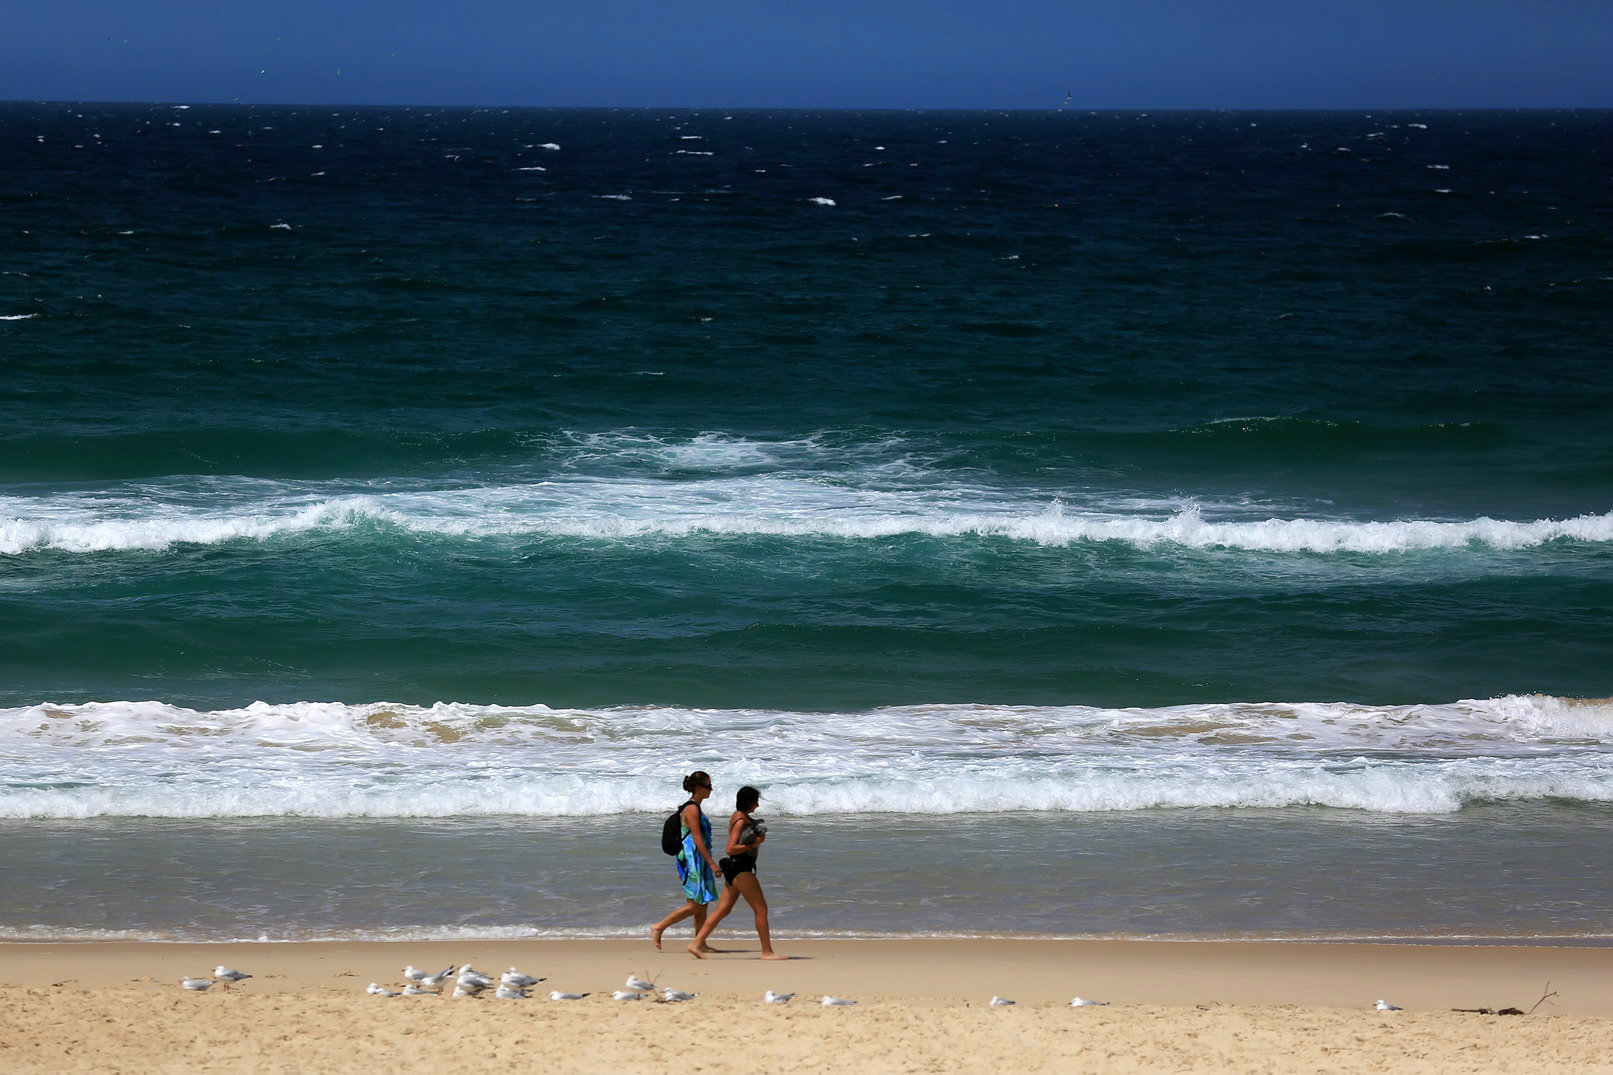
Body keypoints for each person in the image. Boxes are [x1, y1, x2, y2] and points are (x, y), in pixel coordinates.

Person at [689, 784, 786, 960]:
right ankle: (767, 952)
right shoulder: (741, 820)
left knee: (723, 910)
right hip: (741, 869)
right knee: (761, 909)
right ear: (749, 802)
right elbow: (730, 848)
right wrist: (754, 844)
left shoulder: (740, 817)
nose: (757, 805)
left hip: (736, 868)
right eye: (756, 801)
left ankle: (696, 944)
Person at [650, 771, 722, 952]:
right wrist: (712, 864)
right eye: (707, 786)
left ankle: (701, 943)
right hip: (693, 862)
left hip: (696, 861)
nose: (711, 790)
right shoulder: (691, 809)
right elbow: (697, 840)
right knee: (696, 905)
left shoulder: (695, 807)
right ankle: (659, 926)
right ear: (697, 788)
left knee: (702, 904)